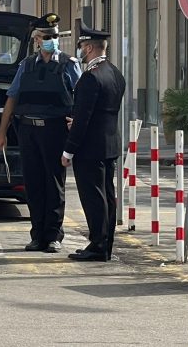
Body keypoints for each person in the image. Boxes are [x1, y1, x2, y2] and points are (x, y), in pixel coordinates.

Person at [0, 14, 81, 253]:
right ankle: (37, 235)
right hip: (28, 130)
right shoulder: (26, 65)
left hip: (54, 130)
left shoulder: (69, 64)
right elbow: (12, 98)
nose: (51, 40)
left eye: (54, 36)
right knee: (33, 184)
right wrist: (2, 132)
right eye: (46, 36)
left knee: (54, 184)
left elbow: (81, 95)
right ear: (36, 40)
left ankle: (53, 235)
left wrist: (76, 124)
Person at [61, 21, 125, 262]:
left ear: (88, 48)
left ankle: (98, 245)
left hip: (90, 147)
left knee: (93, 197)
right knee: (107, 195)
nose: (80, 51)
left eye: (81, 47)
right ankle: (105, 244)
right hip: (109, 144)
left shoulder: (90, 77)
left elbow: (84, 117)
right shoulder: (115, 72)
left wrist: (68, 150)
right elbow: (104, 111)